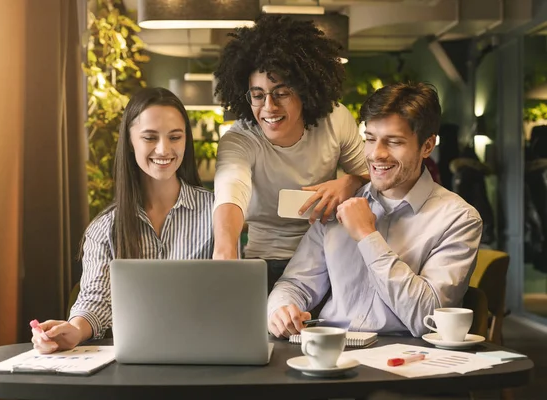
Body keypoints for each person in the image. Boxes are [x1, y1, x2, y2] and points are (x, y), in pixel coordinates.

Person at [267, 82, 483, 338]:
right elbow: (296, 283)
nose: (376, 154)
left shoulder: (458, 219)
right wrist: (281, 310)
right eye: (370, 139)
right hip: (329, 353)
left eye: (394, 142)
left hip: (407, 364)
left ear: (427, 146)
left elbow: (429, 320)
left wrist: (367, 236)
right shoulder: (340, 202)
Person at [31, 87, 214, 353]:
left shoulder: (217, 211)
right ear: (130, 141)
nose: (164, 149)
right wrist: (74, 330)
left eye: (175, 137)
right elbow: (96, 299)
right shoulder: (105, 228)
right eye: (150, 138)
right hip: (135, 365)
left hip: (206, 354)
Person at [213, 15, 369, 291]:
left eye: (281, 92)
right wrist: (225, 252)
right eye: (258, 95)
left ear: (305, 91)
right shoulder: (240, 138)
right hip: (265, 261)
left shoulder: (335, 120)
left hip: (328, 256)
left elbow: (372, 175)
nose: (269, 107)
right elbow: (230, 191)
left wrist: (350, 182)